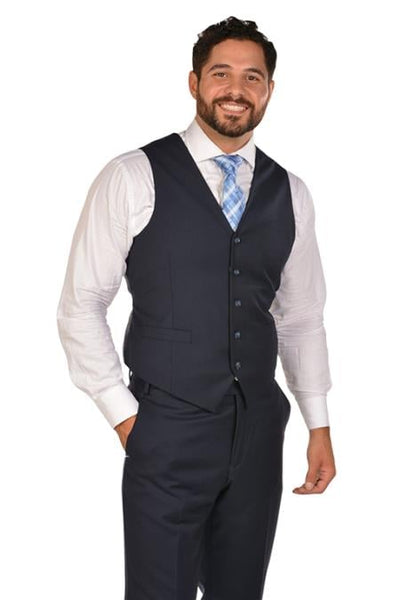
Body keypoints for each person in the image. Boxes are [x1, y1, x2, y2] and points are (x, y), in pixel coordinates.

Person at [57, 15, 336, 600]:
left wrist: (318, 424)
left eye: (252, 77)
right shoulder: (133, 175)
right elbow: (82, 305)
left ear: (268, 90)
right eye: (221, 73)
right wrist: (126, 417)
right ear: (194, 82)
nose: (236, 89)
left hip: (258, 434)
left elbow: (301, 316)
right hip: (166, 430)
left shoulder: (292, 193)